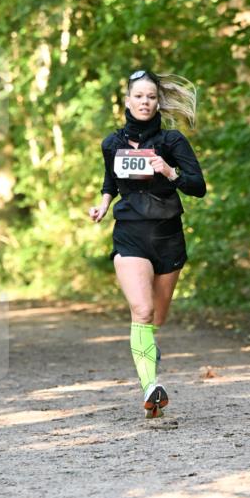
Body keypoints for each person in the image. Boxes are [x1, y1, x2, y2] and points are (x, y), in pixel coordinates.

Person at [89, 69, 206, 417]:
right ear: (127, 101)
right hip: (130, 233)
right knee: (141, 310)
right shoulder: (112, 143)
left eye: (151, 97)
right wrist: (104, 204)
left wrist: (169, 171)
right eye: (138, 96)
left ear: (158, 103)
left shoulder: (172, 142)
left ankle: (148, 355)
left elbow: (198, 186)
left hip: (168, 237)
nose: (144, 102)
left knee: (156, 318)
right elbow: (110, 179)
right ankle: (150, 386)